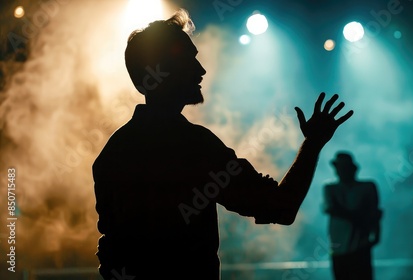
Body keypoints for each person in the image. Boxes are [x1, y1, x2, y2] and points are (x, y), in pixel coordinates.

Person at [92, 8, 354, 280]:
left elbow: (113, 249)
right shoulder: (194, 146)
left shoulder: (111, 155)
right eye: (190, 60)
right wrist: (312, 143)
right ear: (163, 71)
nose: (201, 70)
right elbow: (281, 207)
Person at [323, 151, 382, 280]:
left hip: (358, 248)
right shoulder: (330, 188)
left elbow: (374, 212)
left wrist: (376, 234)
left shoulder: (367, 187)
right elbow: (375, 214)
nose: (340, 171)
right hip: (340, 249)